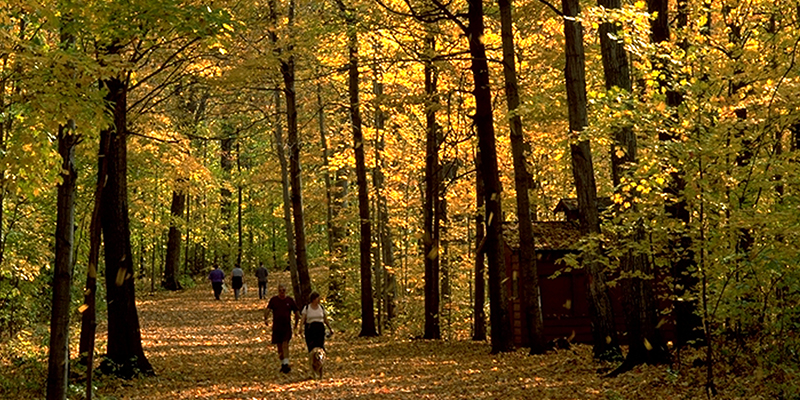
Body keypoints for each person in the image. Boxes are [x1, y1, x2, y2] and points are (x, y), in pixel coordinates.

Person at [264, 284, 300, 373]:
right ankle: (282, 363)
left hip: (286, 326)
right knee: (279, 347)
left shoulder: (290, 300)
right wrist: (266, 318)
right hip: (277, 327)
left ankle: (286, 364)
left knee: (285, 344)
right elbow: (268, 310)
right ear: (278, 291)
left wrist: (296, 324)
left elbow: (296, 312)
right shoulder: (274, 300)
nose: (282, 292)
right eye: (280, 290)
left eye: (283, 290)